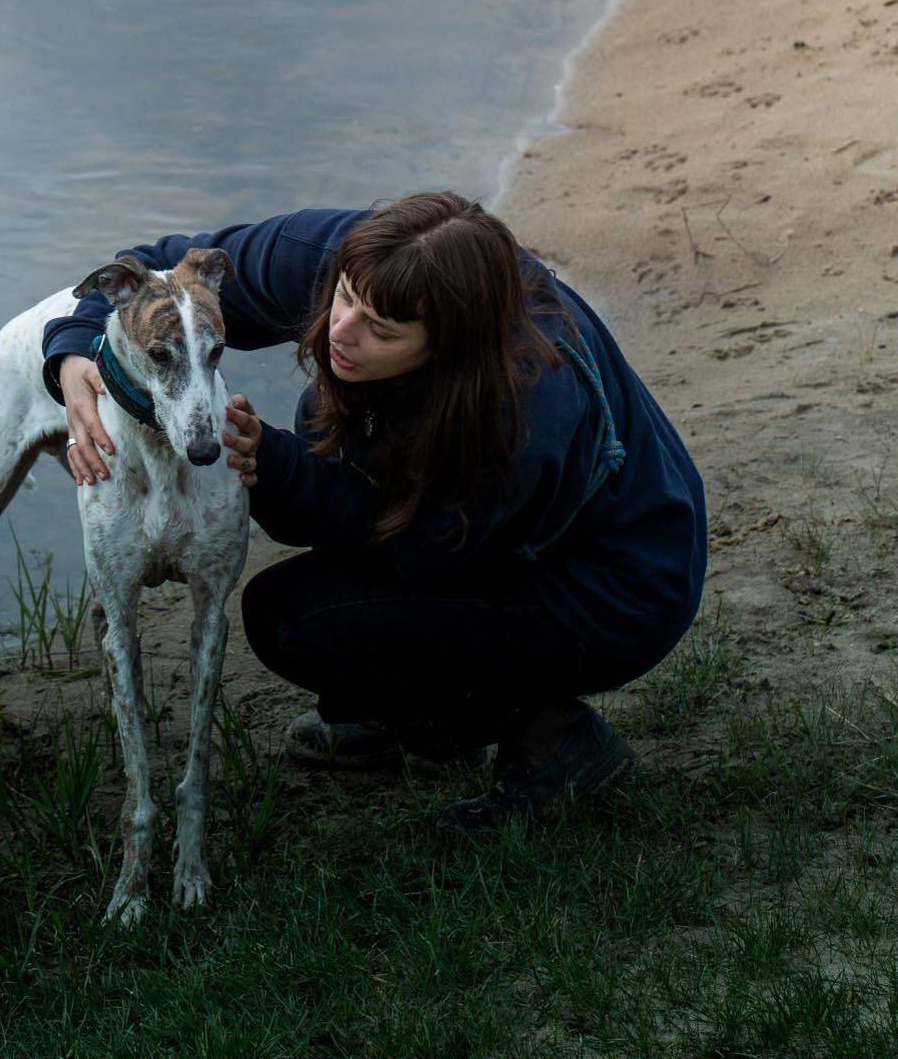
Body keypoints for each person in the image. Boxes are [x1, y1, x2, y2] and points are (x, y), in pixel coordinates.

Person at [43, 192, 706, 834]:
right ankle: (392, 705)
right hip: (487, 526)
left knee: (293, 619)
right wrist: (74, 353)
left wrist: (277, 468)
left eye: (379, 331)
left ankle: (549, 741)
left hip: (614, 587)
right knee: (329, 432)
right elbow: (159, 266)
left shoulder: (518, 413)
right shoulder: (367, 262)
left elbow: (418, 550)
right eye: (342, 300)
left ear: (452, 345)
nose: (341, 331)